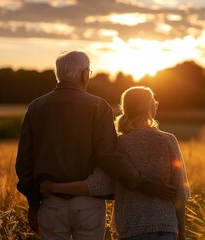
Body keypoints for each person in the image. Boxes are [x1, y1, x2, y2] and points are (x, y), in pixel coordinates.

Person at [15, 51, 176, 239]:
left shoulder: (35, 107)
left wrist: (34, 203)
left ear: (58, 74)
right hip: (89, 206)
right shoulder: (98, 106)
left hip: (51, 203)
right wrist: (145, 184)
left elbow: (24, 162)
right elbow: (110, 157)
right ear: (84, 74)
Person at [41, 86, 191, 240]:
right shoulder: (168, 140)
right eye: (155, 104)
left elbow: (97, 185)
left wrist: (54, 187)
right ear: (150, 107)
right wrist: (182, 230)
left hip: (132, 229)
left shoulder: (116, 145)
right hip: (165, 227)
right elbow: (180, 190)